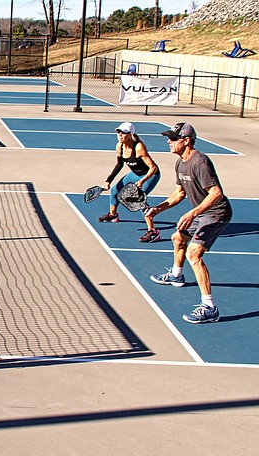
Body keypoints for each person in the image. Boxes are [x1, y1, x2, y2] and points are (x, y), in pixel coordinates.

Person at [147, 122, 232, 324]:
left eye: (173, 139)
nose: (169, 141)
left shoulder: (200, 162)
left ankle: (210, 307)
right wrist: (159, 208)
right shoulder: (180, 163)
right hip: (202, 213)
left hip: (217, 213)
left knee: (194, 254)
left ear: (186, 141)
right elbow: (179, 193)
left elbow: (216, 193)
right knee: (177, 237)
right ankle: (177, 275)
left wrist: (193, 213)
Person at [98, 121, 162, 243]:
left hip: (150, 175)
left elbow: (153, 168)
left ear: (130, 134)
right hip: (135, 174)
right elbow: (119, 164)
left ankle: (153, 231)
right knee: (114, 190)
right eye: (119, 132)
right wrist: (108, 180)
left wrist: (142, 181)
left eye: (124, 133)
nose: (120, 135)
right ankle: (113, 215)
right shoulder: (119, 146)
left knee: (139, 199)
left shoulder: (138, 147)